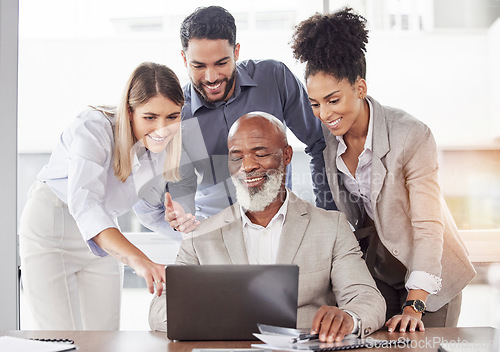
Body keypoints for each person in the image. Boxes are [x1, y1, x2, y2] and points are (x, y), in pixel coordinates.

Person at [290, 8, 475, 333]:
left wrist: (414, 304)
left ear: (360, 87)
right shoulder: (330, 137)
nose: (324, 113)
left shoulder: (412, 136)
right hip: (378, 272)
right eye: (315, 103)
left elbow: (428, 228)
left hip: (431, 278)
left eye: (333, 99)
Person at [149, 112, 386, 341]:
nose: (248, 166)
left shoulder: (331, 227)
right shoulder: (199, 236)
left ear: (286, 155)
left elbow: (367, 298)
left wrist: (349, 318)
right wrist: (214, 319)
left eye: (260, 154)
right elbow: (159, 309)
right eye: (236, 156)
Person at [134, 5, 335, 235]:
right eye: (198, 66)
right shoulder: (177, 114)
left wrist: (326, 215)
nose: (211, 78)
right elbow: (153, 198)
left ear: (236, 52)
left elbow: (321, 143)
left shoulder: (274, 78)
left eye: (221, 63)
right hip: (216, 237)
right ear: (183, 58)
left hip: (279, 229)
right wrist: (185, 232)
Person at [19, 62, 184, 330]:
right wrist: (140, 260)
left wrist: (180, 224)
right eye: (150, 117)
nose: (162, 129)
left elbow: (147, 210)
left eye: (172, 117)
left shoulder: (164, 145)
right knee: (61, 340)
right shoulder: (92, 127)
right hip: (52, 225)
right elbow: (86, 205)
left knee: (105, 338)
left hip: (106, 234)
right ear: (130, 112)